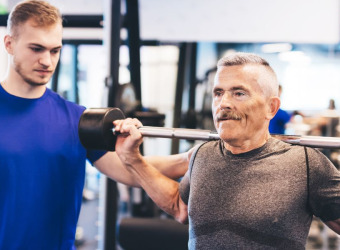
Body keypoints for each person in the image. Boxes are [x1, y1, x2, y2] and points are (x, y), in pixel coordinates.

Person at [0, 1, 190, 249]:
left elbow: (128, 170)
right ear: (9, 44)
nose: (47, 61)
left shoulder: (77, 119)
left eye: (55, 50)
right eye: (36, 49)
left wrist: (193, 159)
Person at [114, 52, 340, 249]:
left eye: (239, 93)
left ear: (271, 107)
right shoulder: (202, 155)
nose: (223, 103)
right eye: (218, 93)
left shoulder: (306, 164)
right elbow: (179, 206)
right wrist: (132, 159)